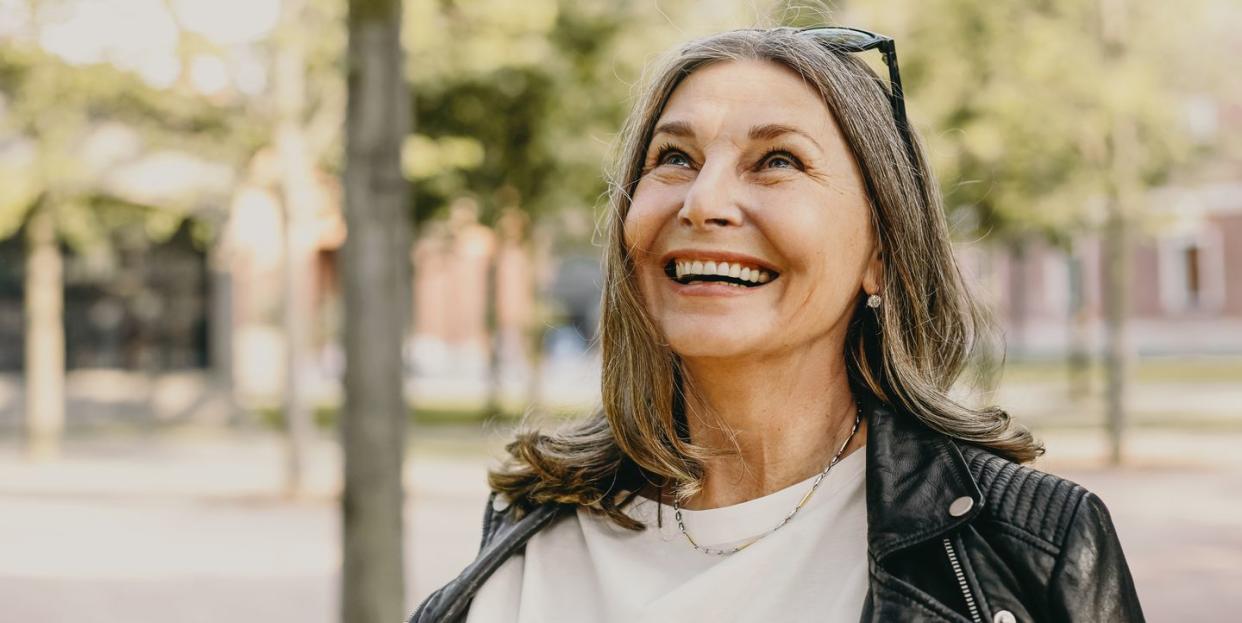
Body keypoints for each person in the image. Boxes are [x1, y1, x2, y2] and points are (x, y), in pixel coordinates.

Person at [410, 26, 1144, 623]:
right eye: (674, 157)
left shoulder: (1030, 547)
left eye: (777, 161)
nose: (703, 202)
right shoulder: (529, 526)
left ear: (882, 254)